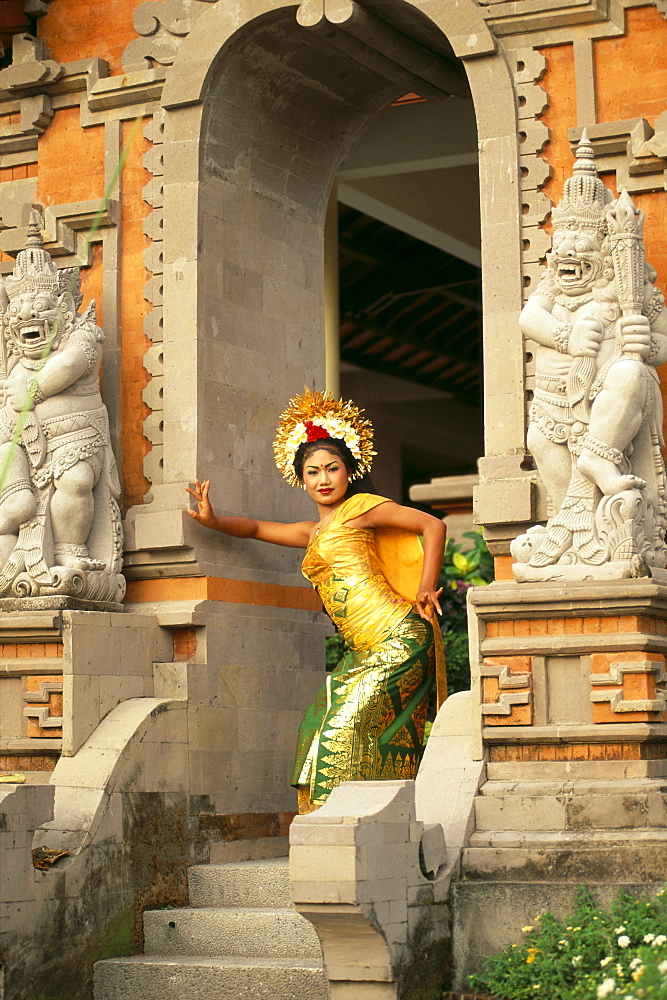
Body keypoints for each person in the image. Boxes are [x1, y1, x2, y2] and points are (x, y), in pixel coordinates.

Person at [186, 388, 447, 812]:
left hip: (399, 638)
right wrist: (213, 521)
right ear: (301, 478)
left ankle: (348, 824)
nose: (323, 479)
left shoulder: (360, 508)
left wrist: (424, 585)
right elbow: (253, 528)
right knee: (317, 725)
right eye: (313, 472)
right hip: (363, 650)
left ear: (349, 471)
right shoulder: (312, 533)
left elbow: (432, 526)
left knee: (343, 728)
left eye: (332, 469)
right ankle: (336, 825)